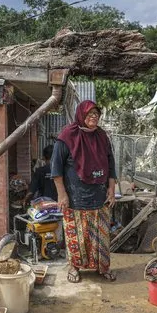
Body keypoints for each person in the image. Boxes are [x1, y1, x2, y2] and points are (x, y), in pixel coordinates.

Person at [51, 100, 117, 283]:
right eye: (90, 114)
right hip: (75, 198)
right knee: (76, 237)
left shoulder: (102, 136)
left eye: (96, 113)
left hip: (100, 197)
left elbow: (111, 164)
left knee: (101, 238)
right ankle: (74, 267)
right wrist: (62, 194)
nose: (94, 117)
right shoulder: (66, 137)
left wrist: (111, 189)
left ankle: (103, 268)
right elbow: (56, 170)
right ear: (81, 115)